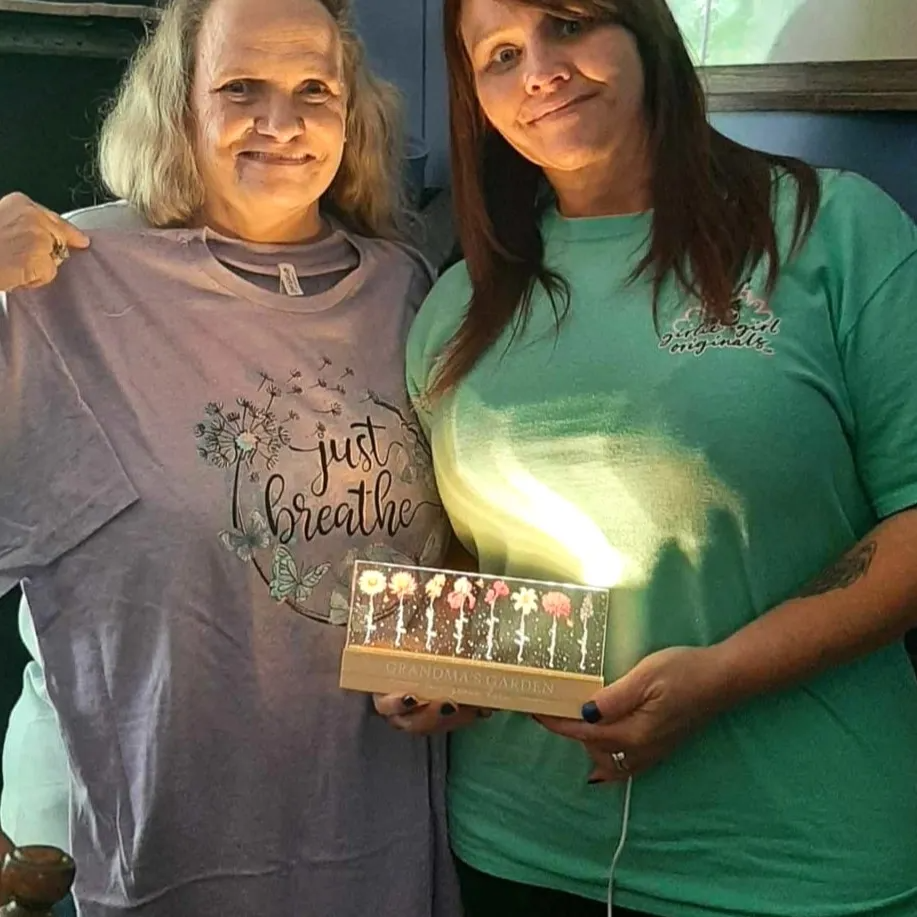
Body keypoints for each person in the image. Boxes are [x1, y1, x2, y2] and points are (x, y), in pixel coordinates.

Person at [389, 1, 917, 916]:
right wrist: (440, 663)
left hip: (800, 860)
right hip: (517, 846)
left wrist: (723, 676)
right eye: (499, 55)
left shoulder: (831, 230)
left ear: (644, 30)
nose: (539, 71)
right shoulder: (454, 305)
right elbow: (473, 551)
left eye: (568, 24)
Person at [0, 0, 463, 914]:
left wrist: (452, 668)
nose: (281, 123)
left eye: (313, 89)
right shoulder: (65, 281)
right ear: (178, 104)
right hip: (160, 850)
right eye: (240, 87)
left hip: (378, 847)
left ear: (353, 112)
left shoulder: (407, 293)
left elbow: (447, 539)